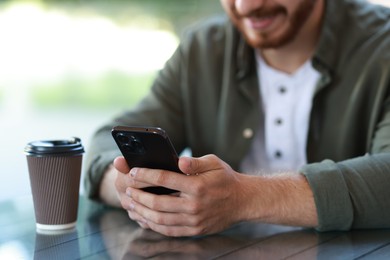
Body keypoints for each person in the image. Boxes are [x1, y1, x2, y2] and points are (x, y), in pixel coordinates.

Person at [85, 0, 390, 237]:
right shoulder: (202, 50)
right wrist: (133, 189)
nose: (246, 7)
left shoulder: (382, 46)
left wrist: (244, 198)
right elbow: (103, 146)